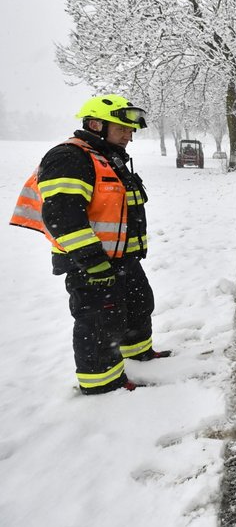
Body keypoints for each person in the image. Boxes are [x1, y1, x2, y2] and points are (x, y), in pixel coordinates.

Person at [10, 94, 170, 395]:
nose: (128, 136)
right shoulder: (69, 157)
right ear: (95, 125)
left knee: (139, 303)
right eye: (121, 129)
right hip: (90, 264)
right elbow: (63, 217)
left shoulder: (109, 157)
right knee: (100, 323)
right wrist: (92, 261)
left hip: (121, 259)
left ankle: (139, 354)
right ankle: (103, 385)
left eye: (130, 130)